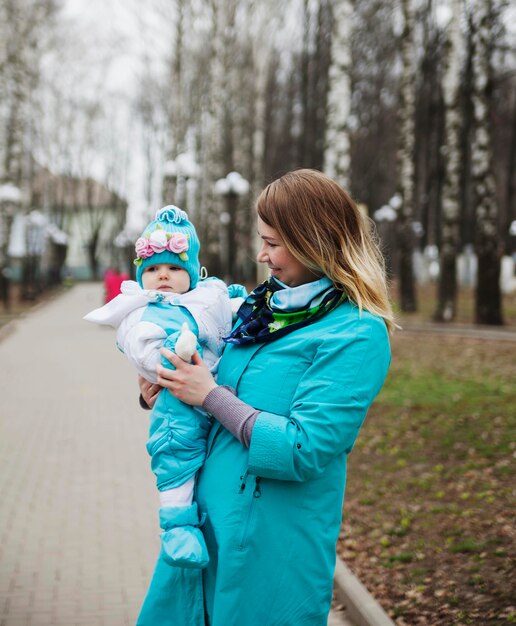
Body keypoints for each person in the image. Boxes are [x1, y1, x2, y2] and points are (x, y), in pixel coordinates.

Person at [137, 169, 394, 626]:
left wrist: (211, 396)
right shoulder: (260, 309)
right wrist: (168, 389)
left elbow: (304, 448)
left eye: (272, 243)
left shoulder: (356, 333)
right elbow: (215, 390)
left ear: (313, 241)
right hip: (206, 526)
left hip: (272, 546)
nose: (262, 255)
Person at [85, 205, 244, 570]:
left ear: (192, 272)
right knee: (175, 453)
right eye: (153, 270)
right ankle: (177, 527)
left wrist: (232, 303)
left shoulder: (206, 295)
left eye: (174, 268)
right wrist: (172, 348)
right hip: (180, 403)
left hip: (224, 406)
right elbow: (144, 351)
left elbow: (228, 321)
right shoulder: (141, 311)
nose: (163, 277)